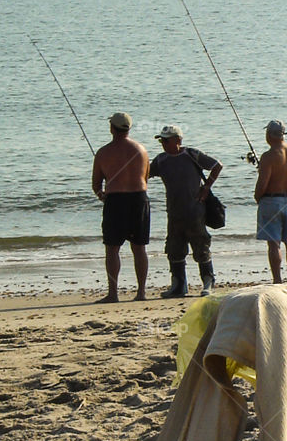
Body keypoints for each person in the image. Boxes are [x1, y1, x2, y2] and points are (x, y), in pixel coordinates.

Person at [149, 125, 222, 298]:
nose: (163, 144)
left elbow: (217, 166)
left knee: (201, 246)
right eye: (162, 141)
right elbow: (144, 175)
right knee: (174, 248)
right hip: (174, 213)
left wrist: (206, 187)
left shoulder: (192, 154)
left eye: (166, 140)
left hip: (195, 211)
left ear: (178, 140)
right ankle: (178, 285)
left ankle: (208, 281)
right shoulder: (160, 160)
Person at [91, 112, 151, 302]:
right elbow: (146, 177)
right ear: (128, 128)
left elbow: (96, 184)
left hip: (115, 201)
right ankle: (141, 292)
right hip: (138, 199)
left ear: (112, 128)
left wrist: (103, 197)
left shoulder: (103, 152)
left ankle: (113, 293)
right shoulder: (141, 150)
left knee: (112, 248)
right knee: (139, 248)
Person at [254, 118, 287, 283]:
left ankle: (277, 279)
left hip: (272, 200)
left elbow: (263, 184)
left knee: (274, 243)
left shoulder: (268, 156)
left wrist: (257, 197)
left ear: (269, 135)